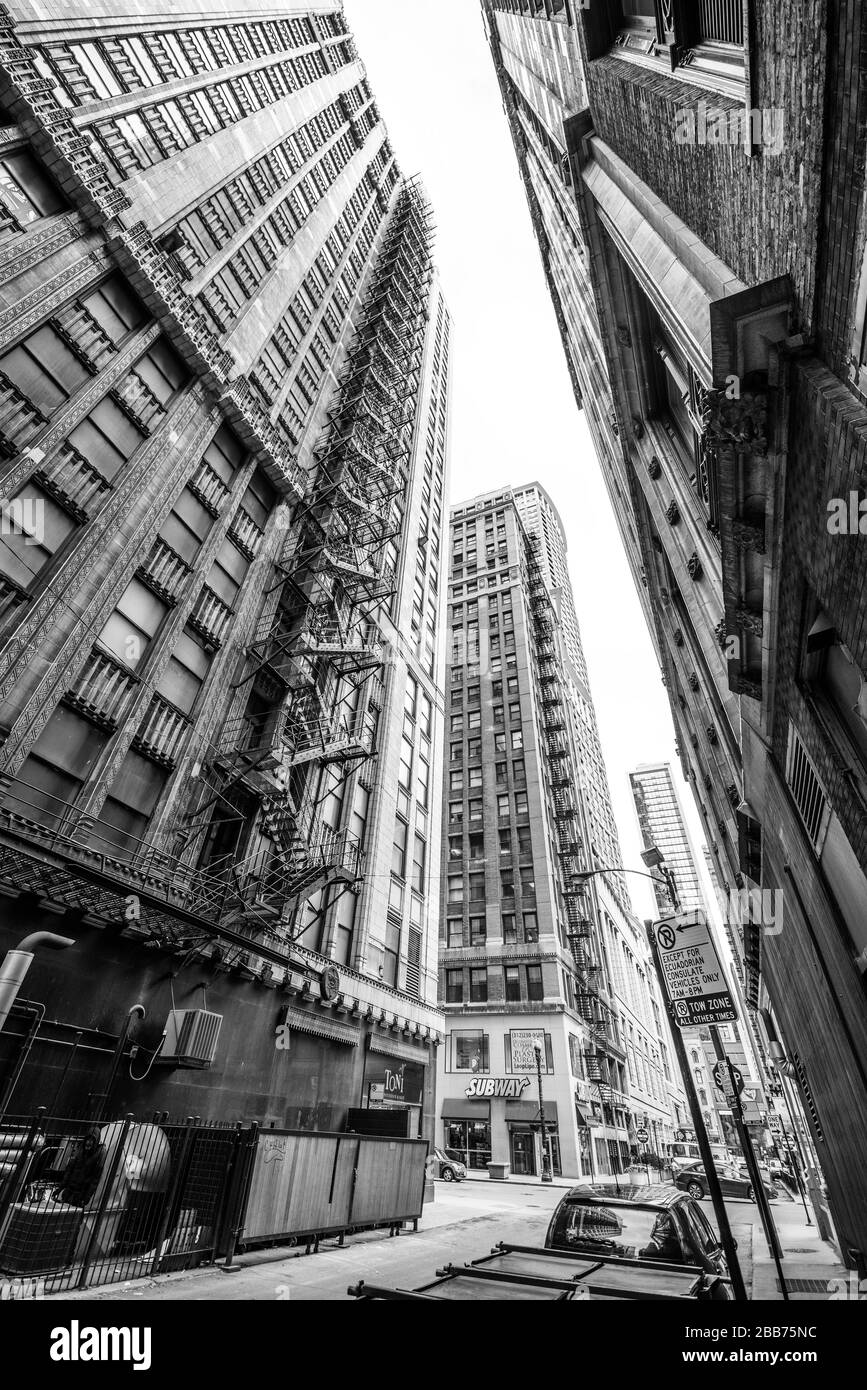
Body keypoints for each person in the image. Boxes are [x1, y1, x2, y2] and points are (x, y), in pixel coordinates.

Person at [56, 1127, 105, 1208]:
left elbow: (96, 1178)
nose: (88, 1142)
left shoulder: (100, 1152)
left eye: (92, 1140)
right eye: (87, 1139)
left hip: (81, 1194)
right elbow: (70, 1169)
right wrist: (61, 1187)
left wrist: (87, 1197)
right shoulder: (81, 1149)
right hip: (69, 1191)